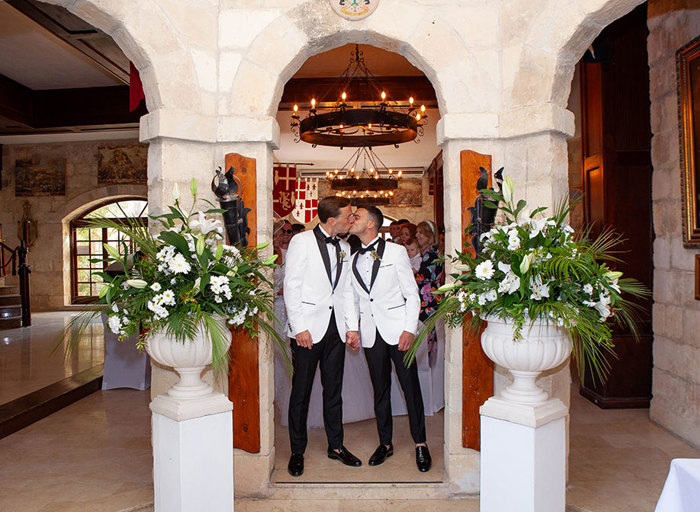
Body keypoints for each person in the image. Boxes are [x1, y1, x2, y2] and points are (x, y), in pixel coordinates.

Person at [346, 205, 432, 473]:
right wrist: (352, 328)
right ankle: (385, 443)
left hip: (398, 332)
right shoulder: (352, 257)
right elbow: (351, 297)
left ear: (371, 224)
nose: (351, 219)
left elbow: (412, 293)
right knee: (380, 390)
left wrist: (409, 329)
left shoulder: (395, 252)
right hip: (371, 334)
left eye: (356, 216)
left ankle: (421, 444)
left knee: (410, 388)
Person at [283, 196, 361, 477]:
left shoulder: (343, 246)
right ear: (332, 221)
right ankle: (297, 451)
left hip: (336, 329)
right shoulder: (300, 242)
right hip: (307, 331)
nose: (352, 220)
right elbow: (291, 285)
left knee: (334, 391)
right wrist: (299, 327)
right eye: (349, 216)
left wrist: (352, 327)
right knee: (301, 392)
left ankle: (336, 446)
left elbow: (347, 291)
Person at [415, 220, 444, 360]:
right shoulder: (427, 252)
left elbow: (424, 275)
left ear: (429, 235)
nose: (417, 235)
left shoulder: (432, 252)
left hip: (429, 297)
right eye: (417, 232)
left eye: (420, 232)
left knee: (427, 330)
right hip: (427, 294)